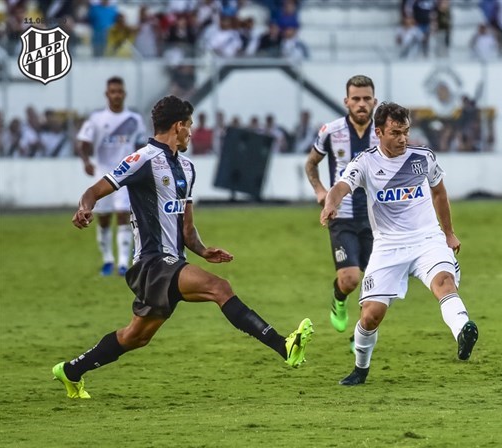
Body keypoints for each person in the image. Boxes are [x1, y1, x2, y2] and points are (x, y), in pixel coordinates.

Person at [52, 95, 314, 400]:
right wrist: (85, 208)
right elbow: (94, 190)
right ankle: (283, 346)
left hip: (172, 262)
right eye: (189, 125)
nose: (191, 131)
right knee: (220, 288)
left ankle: (70, 371)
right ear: (178, 126)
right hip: (151, 263)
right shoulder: (143, 159)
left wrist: (202, 250)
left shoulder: (187, 168)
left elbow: (186, 228)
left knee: (135, 337)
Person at [320, 102, 478, 386]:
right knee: (370, 316)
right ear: (379, 132)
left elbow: (439, 193)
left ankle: (464, 330)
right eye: (395, 132)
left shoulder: (422, 157)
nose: (403, 138)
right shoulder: (365, 162)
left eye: (405, 131)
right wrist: (331, 204)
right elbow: (341, 187)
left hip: (427, 239)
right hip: (388, 247)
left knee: (444, 282)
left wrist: (449, 233)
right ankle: (360, 369)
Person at [304, 75, 379, 350]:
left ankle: (359, 334)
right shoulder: (331, 131)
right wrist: (321, 192)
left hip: (377, 221)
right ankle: (339, 298)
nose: (361, 104)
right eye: (356, 99)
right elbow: (311, 165)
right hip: (342, 216)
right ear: (346, 101)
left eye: (366, 99)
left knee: (376, 284)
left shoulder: (383, 133)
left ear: (375, 102)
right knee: (350, 280)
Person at [76, 77, 147, 276]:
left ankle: (123, 263)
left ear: (124, 94)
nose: (116, 95)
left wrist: (141, 167)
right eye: (112, 91)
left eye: (119, 91)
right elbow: (81, 143)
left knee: (124, 215)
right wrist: (86, 161)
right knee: (104, 219)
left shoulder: (135, 119)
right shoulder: (97, 119)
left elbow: (141, 145)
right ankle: (108, 260)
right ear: (107, 94)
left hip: (126, 174)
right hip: (103, 175)